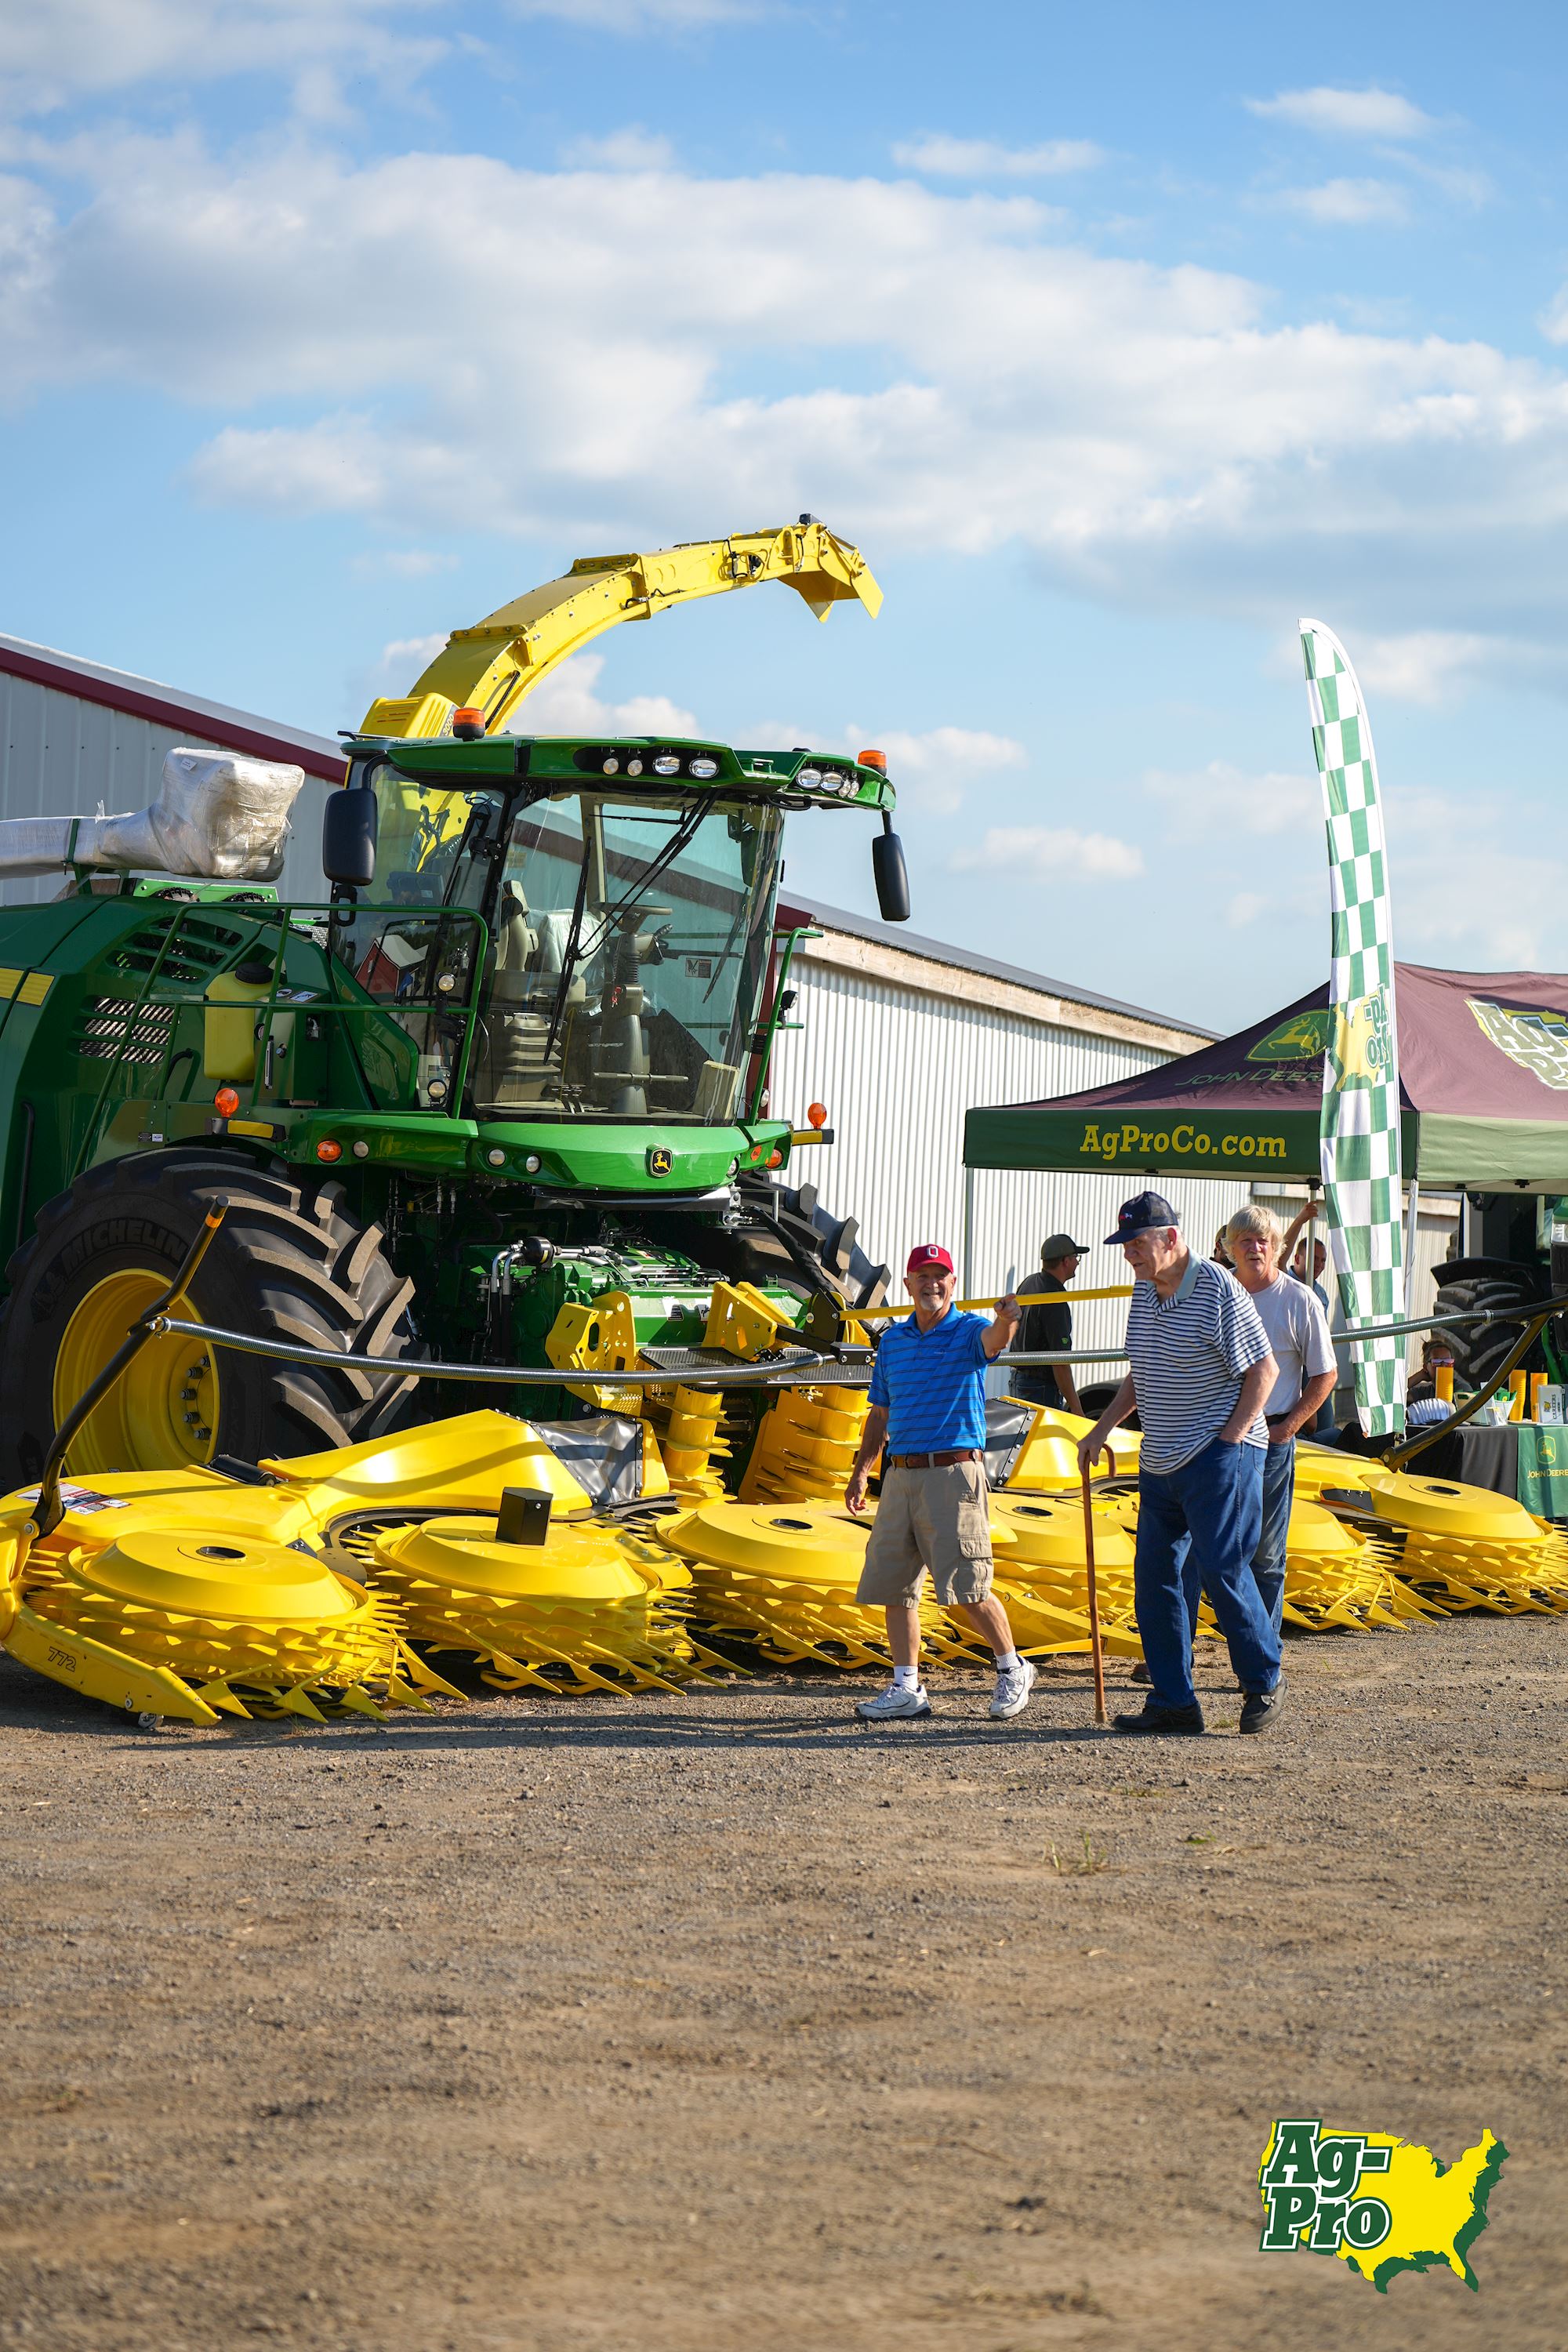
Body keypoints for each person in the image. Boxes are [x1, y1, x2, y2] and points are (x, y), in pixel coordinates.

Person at [1077, 1191, 1285, 1736]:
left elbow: (1264, 1371)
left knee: (1223, 1570)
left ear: (1171, 1238)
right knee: (1156, 1581)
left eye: (1137, 1244)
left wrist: (1230, 1437)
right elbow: (1140, 1371)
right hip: (1161, 1460)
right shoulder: (1145, 1291)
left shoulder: (1218, 1289)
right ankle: (1175, 1702)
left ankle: (1264, 1679)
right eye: (1124, 1246)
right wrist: (1102, 1428)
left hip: (1220, 1455)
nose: (1129, 1256)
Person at [846, 1244, 1035, 1723]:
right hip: (901, 1474)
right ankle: (906, 1686)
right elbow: (881, 1413)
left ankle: (1013, 1668)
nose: (932, 1284)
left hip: (954, 1474)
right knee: (894, 1586)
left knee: (969, 1585)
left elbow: (996, 1341)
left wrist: (1010, 1319)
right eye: (922, 1276)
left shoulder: (970, 1329)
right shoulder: (892, 1342)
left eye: (941, 1276)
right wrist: (862, 1470)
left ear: (954, 1284)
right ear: (907, 1285)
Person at [1223, 1204, 1337, 1636]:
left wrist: (1286, 1429)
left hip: (1269, 1439)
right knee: (1199, 1547)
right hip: (1214, 1438)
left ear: (1278, 1248)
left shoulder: (1299, 1300)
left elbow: (1326, 1374)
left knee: (1266, 1554)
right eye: (1246, 1241)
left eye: (1264, 1241)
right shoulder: (1216, 1294)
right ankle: (1181, 1653)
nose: (1255, 1249)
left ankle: (1262, 1655)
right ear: (1230, 1248)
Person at [1010, 1232, 1089, 1414]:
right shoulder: (1055, 1299)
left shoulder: (1029, 1283)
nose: (1077, 1263)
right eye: (1076, 1258)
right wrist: (1077, 1410)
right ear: (1065, 1261)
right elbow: (1060, 1362)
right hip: (1040, 1388)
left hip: (1018, 1379)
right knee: (1044, 1441)